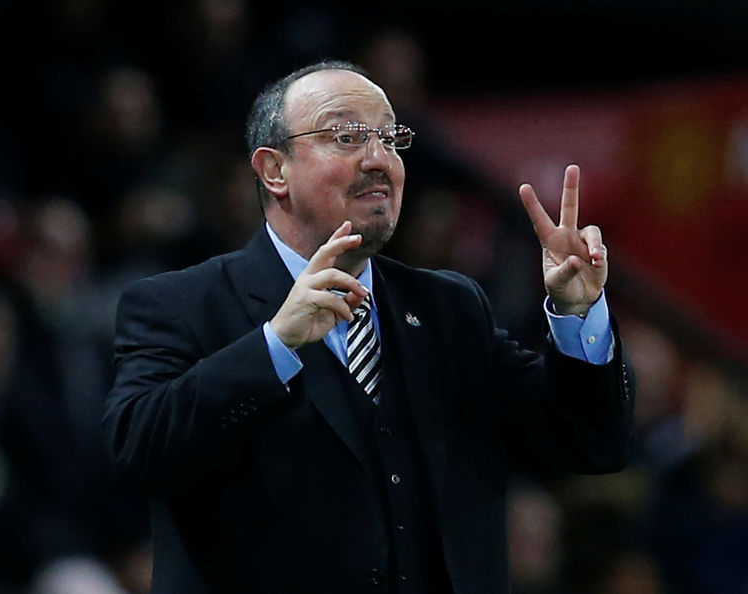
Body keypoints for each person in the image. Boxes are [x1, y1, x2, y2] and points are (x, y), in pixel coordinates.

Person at [103, 60, 635, 594]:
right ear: (274, 170)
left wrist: (577, 312)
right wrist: (275, 345)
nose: (380, 159)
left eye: (390, 137)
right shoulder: (179, 304)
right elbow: (139, 457)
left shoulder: (450, 308)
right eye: (347, 136)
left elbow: (589, 443)